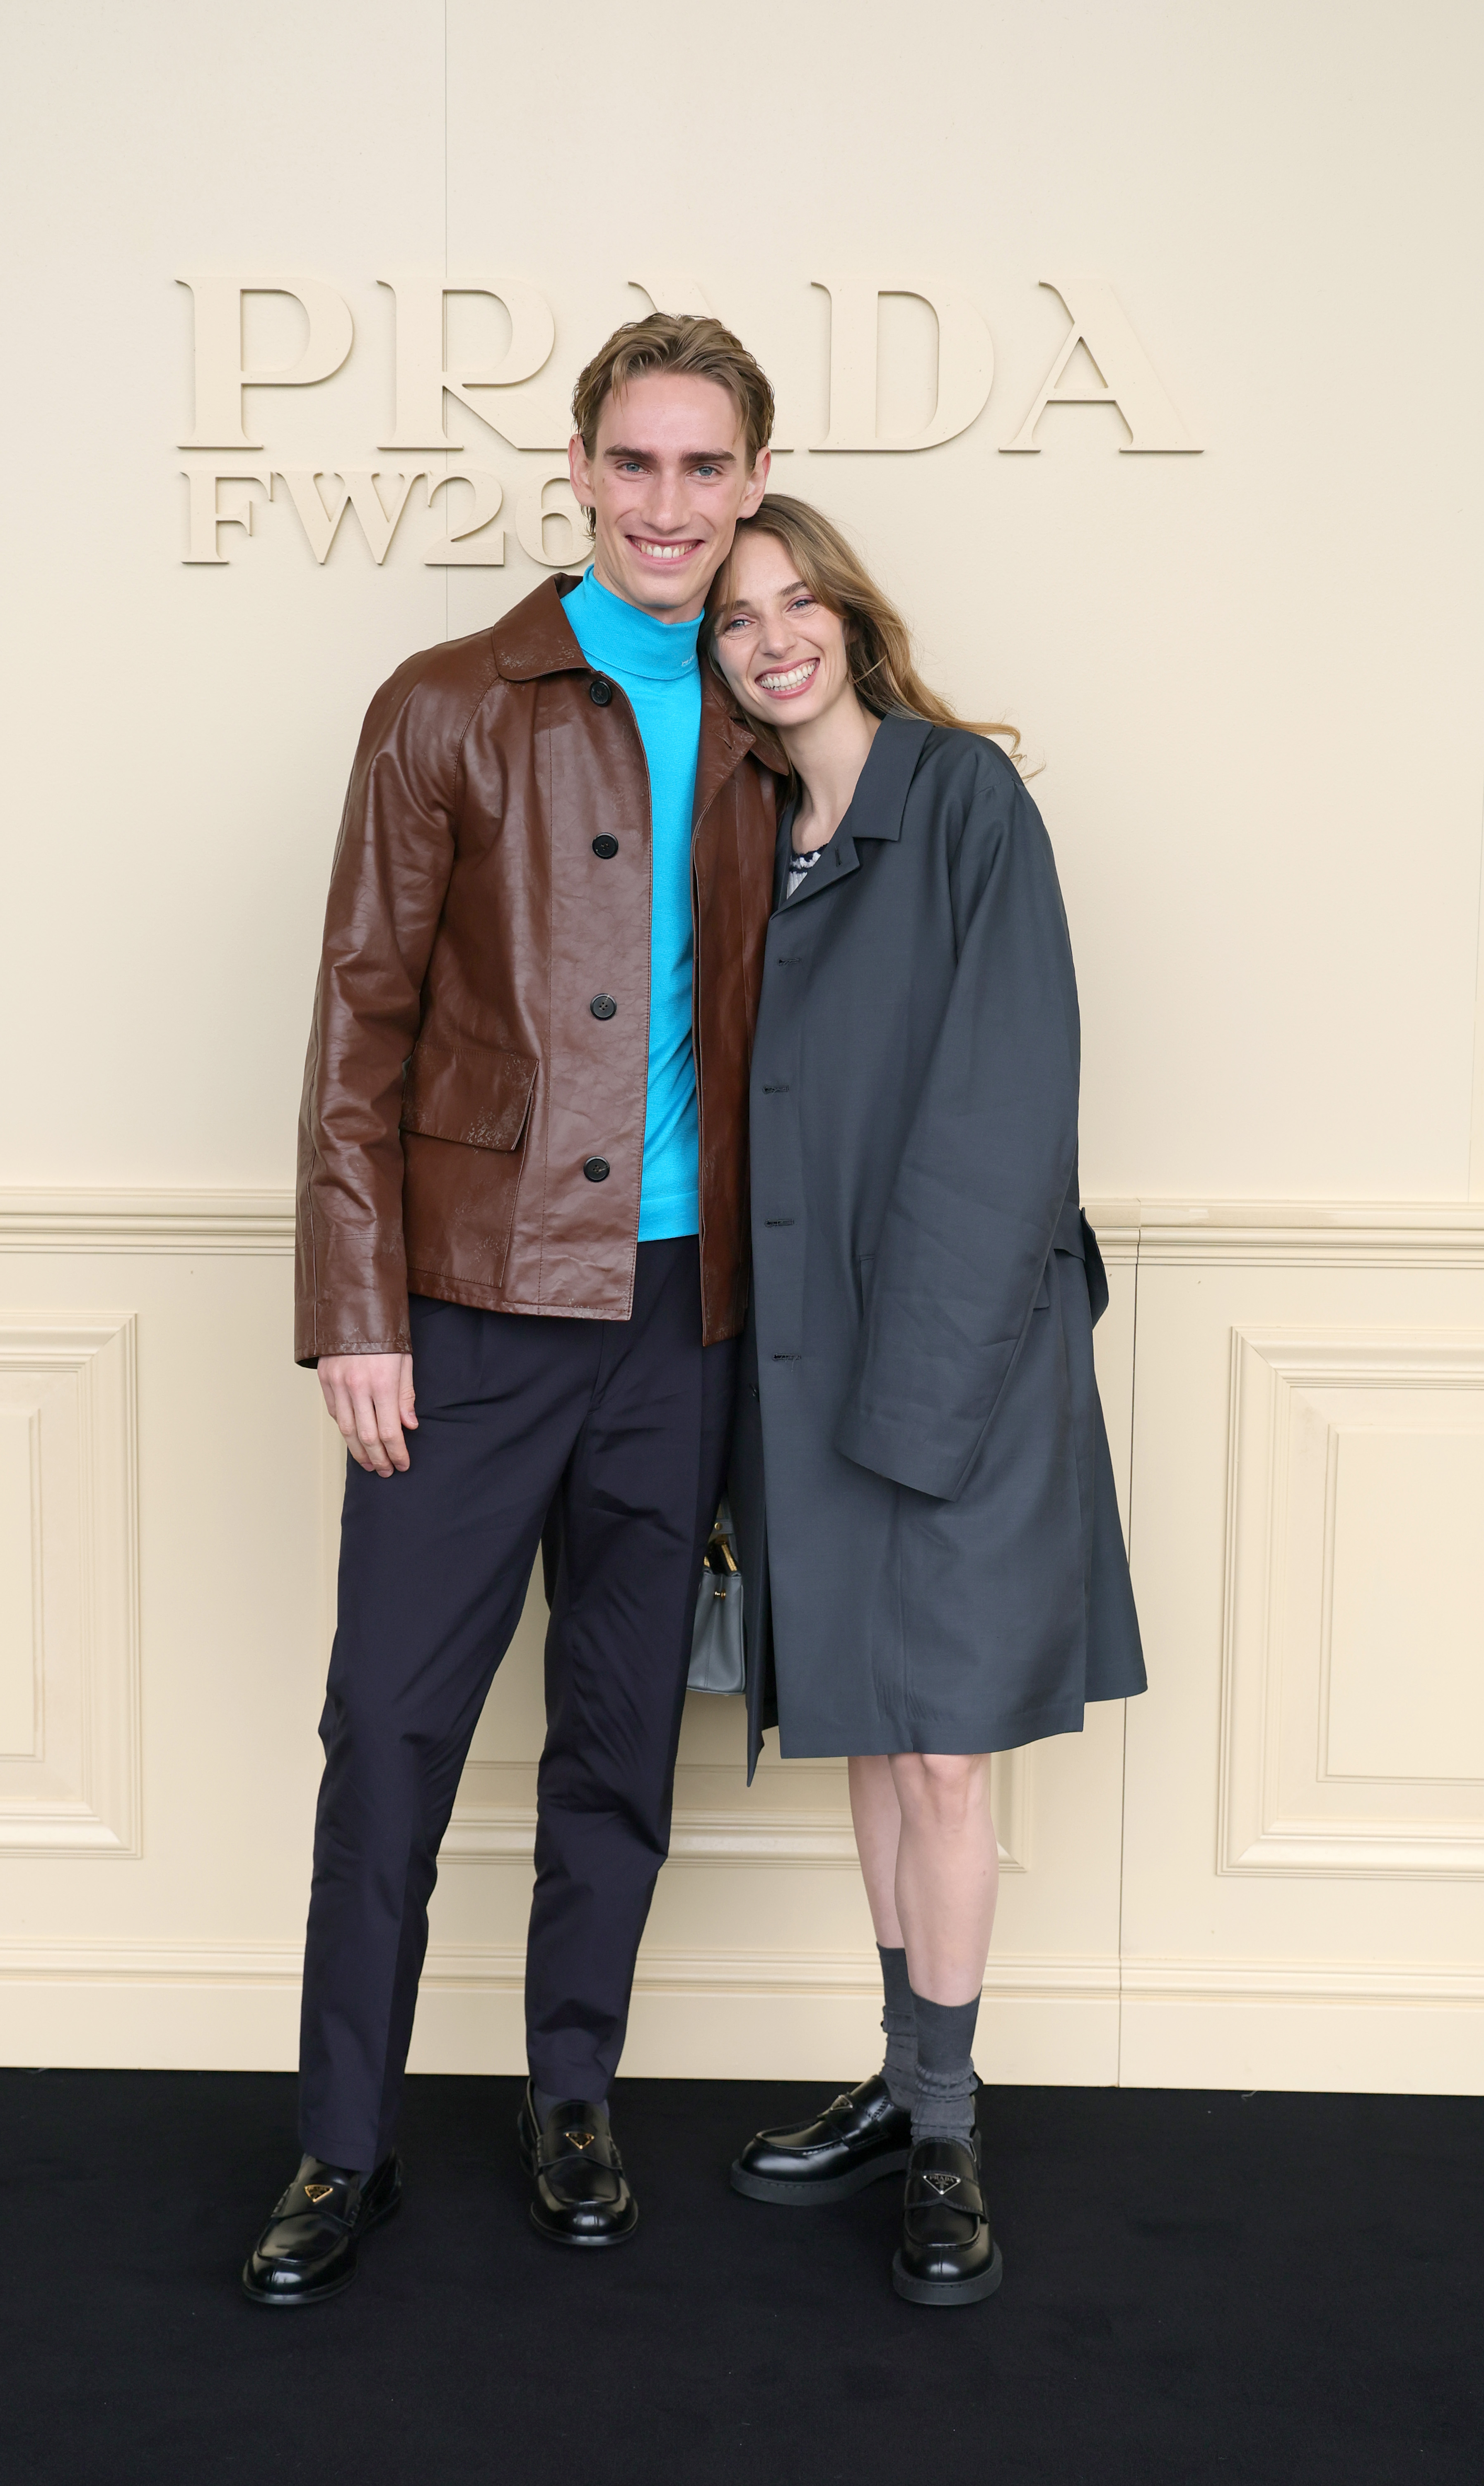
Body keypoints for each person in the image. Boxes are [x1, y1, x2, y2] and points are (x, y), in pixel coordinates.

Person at [242, 315, 781, 2306]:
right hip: (465, 1317)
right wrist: (355, 1311)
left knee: (619, 1736)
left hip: (682, 1324)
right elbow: (353, 1026)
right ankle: (341, 2146)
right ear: (575, 471)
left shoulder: (772, 705)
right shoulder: (448, 702)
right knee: (387, 1729)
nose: (667, 505)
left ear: (746, 488)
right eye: (634, 465)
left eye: (704, 471)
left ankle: (571, 2097)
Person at [706, 496, 1146, 2307]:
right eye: (738, 621)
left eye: (798, 602)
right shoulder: (744, 837)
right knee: (883, 1741)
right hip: (800, 1367)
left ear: (854, 618)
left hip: (949, 1362)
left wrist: (927, 1388)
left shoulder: (962, 798)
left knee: (948, 1753)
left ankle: (948, 2128)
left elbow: (1002, 1103)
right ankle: (897, 2083)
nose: (772, 637)